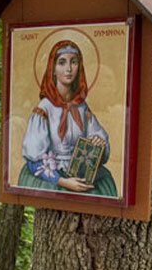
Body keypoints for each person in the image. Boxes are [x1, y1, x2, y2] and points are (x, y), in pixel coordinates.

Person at [19, 40, 116, 195]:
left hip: (80, 172)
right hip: (54, 177)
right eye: (62, 63)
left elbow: (99, 142)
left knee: (105, 181)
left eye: (74, 62)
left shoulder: (82, 108)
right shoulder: (43, 109)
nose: (69, 69)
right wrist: (63, 181)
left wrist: (99, 143)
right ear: (53, 69)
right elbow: (33, 160)